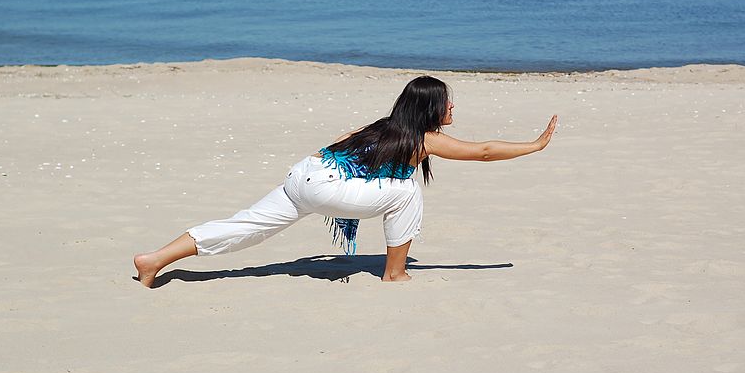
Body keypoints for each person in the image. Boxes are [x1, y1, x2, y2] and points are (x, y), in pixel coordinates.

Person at [133, 75, 557, 287]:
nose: (452, 106)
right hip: (326, 185)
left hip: (307, 172)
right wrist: (534, 145)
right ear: (431, 108)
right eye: (447, 101)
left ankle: (154, 260)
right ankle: (395, 274)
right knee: (406, 191)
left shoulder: (386, 125)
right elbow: (482, 151)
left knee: (247, 226)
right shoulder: (424, 138)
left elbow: (340, 141)